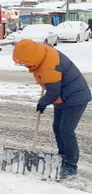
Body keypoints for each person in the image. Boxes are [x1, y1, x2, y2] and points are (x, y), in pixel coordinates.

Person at [13, 39, 91, 180]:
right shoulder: (43, 53)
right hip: (63, 98)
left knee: (66, 130)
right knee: (57, 127)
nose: (24, 66)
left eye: (25, 63)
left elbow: (53, 92)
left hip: (75, 98)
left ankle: (70, 165)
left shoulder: (49, 66)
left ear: (33, 58)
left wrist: (43, 102)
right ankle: (62, 156)